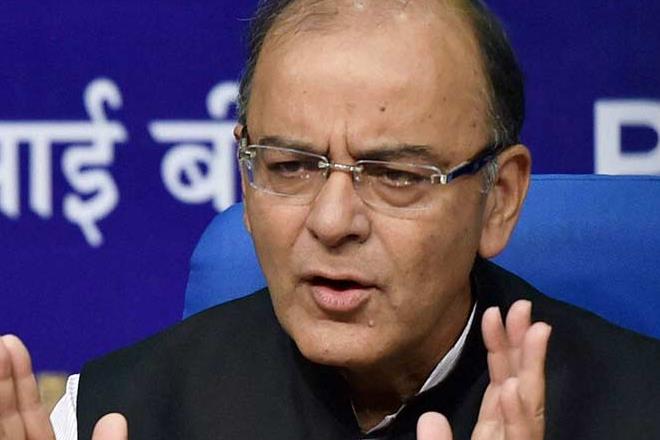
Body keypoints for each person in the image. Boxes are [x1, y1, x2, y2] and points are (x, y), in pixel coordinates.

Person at [1, 0, 659, 439]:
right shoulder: (116, 414)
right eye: (290, 166)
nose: (333, 220)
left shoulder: (640, 407)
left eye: (396, 174)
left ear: (500, 198)